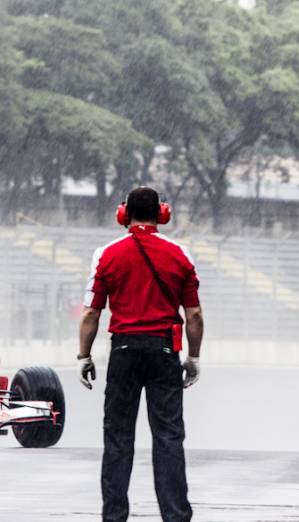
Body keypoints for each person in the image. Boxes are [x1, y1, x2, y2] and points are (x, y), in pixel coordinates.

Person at [78, 187, 204, 522]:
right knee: (168, 437)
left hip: (123, 350)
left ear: (124, 214)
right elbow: (194, 315)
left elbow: (91, 313)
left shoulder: (106, 254)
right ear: (162, 213)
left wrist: (84, 356)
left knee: (118, 437)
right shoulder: (180, 254)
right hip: (164, 350)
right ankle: (175, 515)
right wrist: (192, 358)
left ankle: (115, 516)